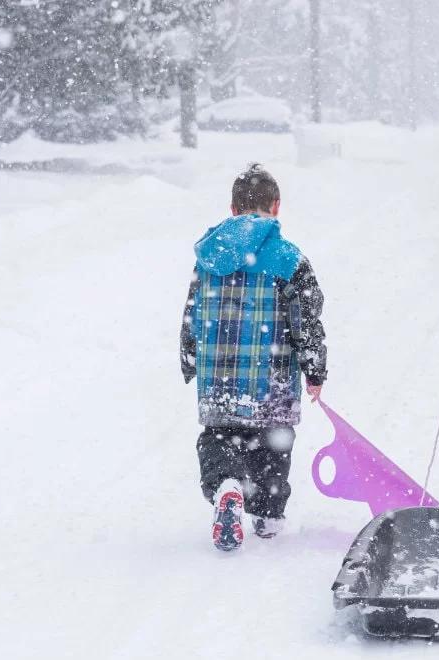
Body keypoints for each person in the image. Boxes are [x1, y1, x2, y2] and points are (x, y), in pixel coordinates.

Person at [180, 164, 327, 551]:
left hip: (219, 379)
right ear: (276, 206)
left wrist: (190, 354)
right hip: (272, 378)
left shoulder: (208, 256)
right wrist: (314, 367)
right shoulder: (288, 258)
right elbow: (306, 318)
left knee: (219, 437)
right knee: (272, 444)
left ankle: (227, 486)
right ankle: (267, 513)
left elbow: (193, 309)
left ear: (232, 208)